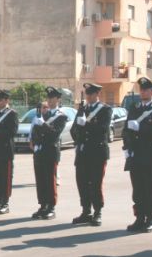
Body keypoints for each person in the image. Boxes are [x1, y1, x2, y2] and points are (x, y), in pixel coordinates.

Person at [123, 78, 152, 234]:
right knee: (138, 189)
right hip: (136, 154)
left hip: (151, 153)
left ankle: (150, 219)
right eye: (141, 89)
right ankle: (139, 217)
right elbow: (126, 129)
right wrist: (126, 147)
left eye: (146, 89)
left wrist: (140, 128)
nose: (143, 92)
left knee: (151, 188)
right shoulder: (134, 107)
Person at [70, 83, 112, 226]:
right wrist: (78, 139)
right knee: (82, 183)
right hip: (83, 152)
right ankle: (86, 211)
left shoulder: (105, 109)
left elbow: (103, 129)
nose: (87, 96)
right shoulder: (82, 109)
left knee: (95, 183)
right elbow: (74, 130)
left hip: (97, 152)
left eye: (90, 94)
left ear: (96, 95)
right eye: (86, 94)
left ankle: (97, 212)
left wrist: (86, 125)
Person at [30, 87, 68, 219]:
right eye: (48, 98)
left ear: (58, 99)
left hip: (51, 151)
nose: (50, 100)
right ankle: (43, 205)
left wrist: (43, 127)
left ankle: (51, 207)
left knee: (50, 179)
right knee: (40, 180)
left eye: (52, 98)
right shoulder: (43, 115)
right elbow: (35, 134)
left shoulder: (61, 116)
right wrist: (38, 134)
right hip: (40, 151)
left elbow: (54, 134)